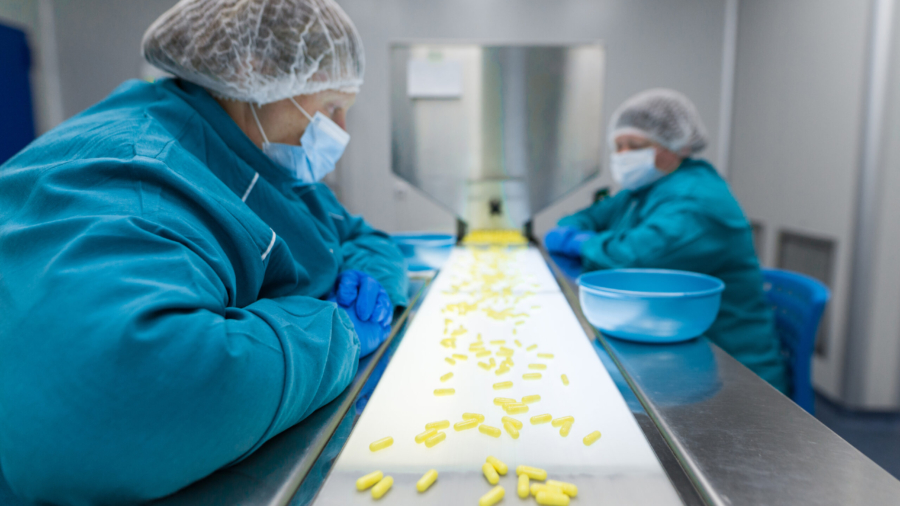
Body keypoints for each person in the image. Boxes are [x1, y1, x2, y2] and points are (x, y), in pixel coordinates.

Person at [0, 1, 407, 504]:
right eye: (327, 108)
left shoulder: (265, 160)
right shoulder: (136, 167)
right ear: (254, 70)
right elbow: (116, 395)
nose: (340, 129)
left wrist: (373, 284)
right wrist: (333, 331)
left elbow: (363, 238)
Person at [545, 88, 788, 393]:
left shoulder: (696, 201)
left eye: (635, 145)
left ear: (678, 145)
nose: (623, 156)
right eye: (618, 146)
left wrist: (579, 243)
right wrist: (576, 233)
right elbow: (586, 218)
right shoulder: (644, 191)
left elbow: (629, 258)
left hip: (731, 372)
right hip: (671, 347)